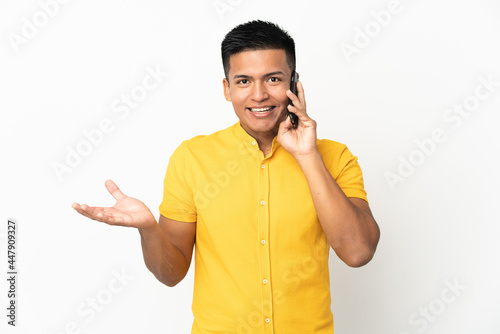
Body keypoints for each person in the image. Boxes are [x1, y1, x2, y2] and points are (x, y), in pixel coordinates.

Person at [72, 20, 380, 334]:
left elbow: (358, 252)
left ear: (295, 83)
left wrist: (307, 155)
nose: (258, 94)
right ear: (227, 89)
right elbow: (171, 273)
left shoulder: (335, 157)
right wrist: (149, 230)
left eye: (273, 79)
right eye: (243, 81)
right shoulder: (192, 158)